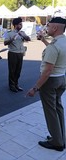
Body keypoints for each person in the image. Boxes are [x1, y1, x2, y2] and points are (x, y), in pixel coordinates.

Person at [26, 17, 66, 152]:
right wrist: (43, 40)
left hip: (50, 82)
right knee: (58, 108)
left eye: (48, 26)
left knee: (50, 112)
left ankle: (57, 142)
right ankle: (61, 137)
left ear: (54, 28)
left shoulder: (55, 46)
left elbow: (48, 70)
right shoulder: (63, 41)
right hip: (61, 78)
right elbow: (55, 53)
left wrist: (35, 88)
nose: (46, 28)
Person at [4, 17, 30, 93]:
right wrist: (12, 39)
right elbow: (5, 43)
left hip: (20, 53)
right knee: (12, 70)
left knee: (18, 70)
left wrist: (23, 36)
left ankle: (16, 84)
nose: (21, 25)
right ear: (15, 25)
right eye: (19, 24)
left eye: (21, 24)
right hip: (13, 53)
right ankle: (11, 85)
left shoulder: (22, 32)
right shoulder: (10, 33)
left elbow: (28, 39)